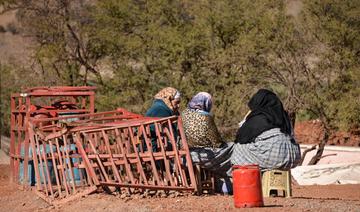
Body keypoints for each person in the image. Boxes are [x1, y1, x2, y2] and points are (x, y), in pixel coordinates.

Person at [231, 89, 301, 170]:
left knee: (237, 149)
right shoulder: (284, 116)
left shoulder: (260, 116)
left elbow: (241, 137)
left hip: (274, 155)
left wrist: (246, 118)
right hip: (293, 156)